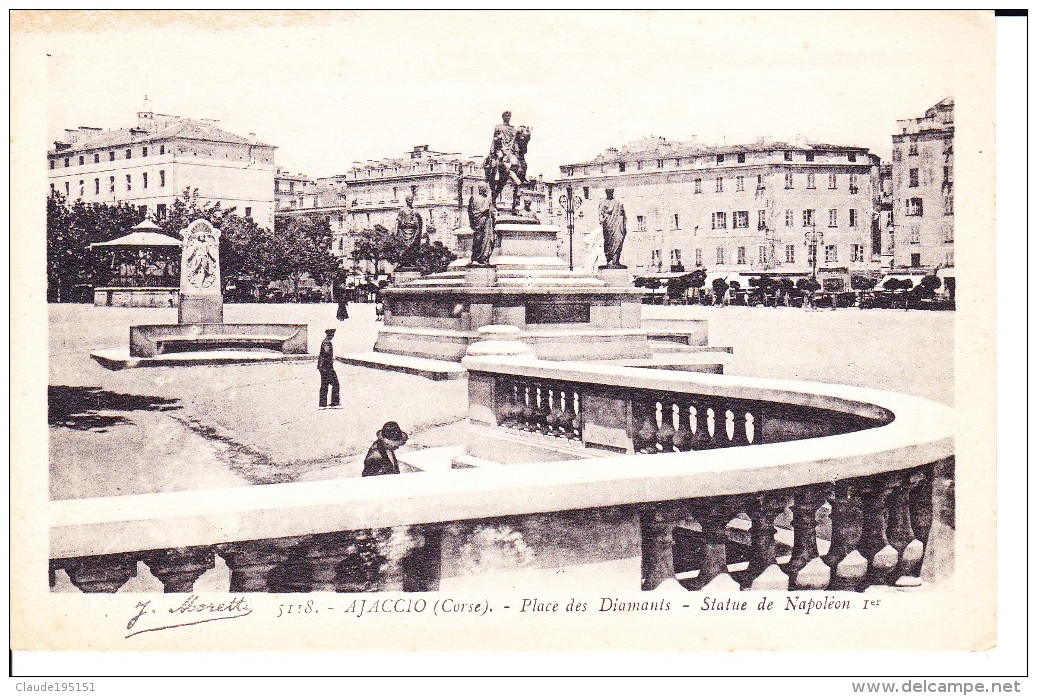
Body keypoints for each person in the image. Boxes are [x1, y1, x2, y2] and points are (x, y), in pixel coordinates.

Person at [467, 183, 496, 266]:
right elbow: (470, 211)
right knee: (478, 239)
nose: (486, 189)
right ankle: (475, 257)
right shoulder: (474, 197)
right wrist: (473, 221)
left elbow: (492, 209)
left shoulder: (488, 198)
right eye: (484, 188)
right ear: (480, 188)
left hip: (487, 221)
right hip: (478, 221)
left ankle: (484, 257)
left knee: (487, 238)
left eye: (487, 187)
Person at [598, 189, 627, 268]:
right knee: (608, 242)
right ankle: (609, 261)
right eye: (608, 192)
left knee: (618, 240)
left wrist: (624, 225)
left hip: (617, 225)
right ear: (606, 193)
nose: (610, 193)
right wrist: (602, 220)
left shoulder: (617, 202)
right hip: (608, 225)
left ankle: (616, 261)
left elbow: (623, 214)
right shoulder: (603, 202)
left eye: (611, 192)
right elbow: (600, 214)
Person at [395, 195, 424, 270]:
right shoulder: (402, 210)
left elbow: (420, 221)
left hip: (413, 231)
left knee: (413, 247)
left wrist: (420, 231)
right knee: (404, 247)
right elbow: (398, 221)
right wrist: (396, 231)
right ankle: (403, 263)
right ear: (406, 201)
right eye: (409, 200)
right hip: (404, 231)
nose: (410, 201)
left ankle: (411, 262)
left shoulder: (415, 211)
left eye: (411, 200)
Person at [317, 328, 340, 409]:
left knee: (325, 384)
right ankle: (334, 403)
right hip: (326, 367)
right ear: (331, 334)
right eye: (333, 334)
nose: (333, 336)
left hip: (324, 366)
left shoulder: (326, 341)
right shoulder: (326, 342)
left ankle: (322, 404)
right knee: (335, 384)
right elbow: (326, 352)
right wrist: (331, 360)